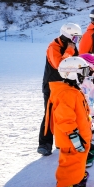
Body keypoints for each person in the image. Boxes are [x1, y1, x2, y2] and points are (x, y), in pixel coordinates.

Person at [47, 56, 92, 187]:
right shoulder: (66, 93)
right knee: (70, 161)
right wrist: (74, 135)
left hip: (80, 134)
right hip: (72, 137)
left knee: (78, 159)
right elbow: (64, 118)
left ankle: (76, 176)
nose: (85, 76)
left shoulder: (72, 90)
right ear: (72, 73)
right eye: (82, 72)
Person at [38, 23, 82, 156]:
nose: (76, 41)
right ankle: (44, 143)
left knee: (66, 114)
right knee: (50, 114)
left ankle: (61, 142)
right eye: (75, 38)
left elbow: (76, 63)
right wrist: (69, 50)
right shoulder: (54, 46)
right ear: (67, 35)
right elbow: (60, 65)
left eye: (78, 38)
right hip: (52, 85)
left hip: (66, 85)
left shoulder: (72, 46)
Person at [79, 53, 94, 165]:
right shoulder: (81, 82)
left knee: (87, 130)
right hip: (83, 114)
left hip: (89, 113)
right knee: (82, 130)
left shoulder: (88, 80)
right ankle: (83, 155)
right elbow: (84, 102)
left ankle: (87, 145)